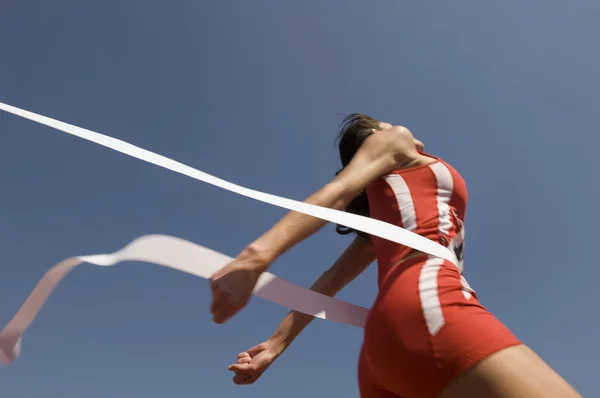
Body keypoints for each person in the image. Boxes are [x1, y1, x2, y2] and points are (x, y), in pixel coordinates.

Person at [210, 114, 580, 397]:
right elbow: (339, 191)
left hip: (380, 352)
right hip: (431, 308)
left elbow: (330, 281)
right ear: (375, 135)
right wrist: (255, 257)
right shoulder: (395, 139)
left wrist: (274, 346)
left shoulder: (386, 224)